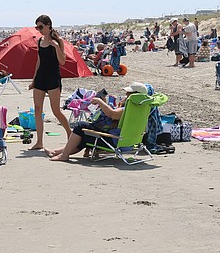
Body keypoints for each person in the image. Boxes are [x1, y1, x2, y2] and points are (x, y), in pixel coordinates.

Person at [45, 82, 147, 161]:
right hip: (129, 142)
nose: (126, 94)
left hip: (115, 141)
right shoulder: (140, 109)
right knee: (84, 135)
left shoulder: (126, 110)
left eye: (128, 93)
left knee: (80, 127)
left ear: (134, 95)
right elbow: (114, 116)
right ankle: (56, 152)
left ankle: (64, 155)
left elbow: (112, 114)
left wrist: (99, 101)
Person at [29, 14, 71, 150]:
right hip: (41, 77)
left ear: (48, 26)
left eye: (41, 27)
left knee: (56, 111)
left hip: (53, 78)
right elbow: (38, 61)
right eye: (37, 27)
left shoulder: (58, 41)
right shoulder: (39, 41)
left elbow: (63, 61)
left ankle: (70, 135)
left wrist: (56, 47)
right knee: (37, 109)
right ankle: (39, 141)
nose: (39, 30)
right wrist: (34, 80)